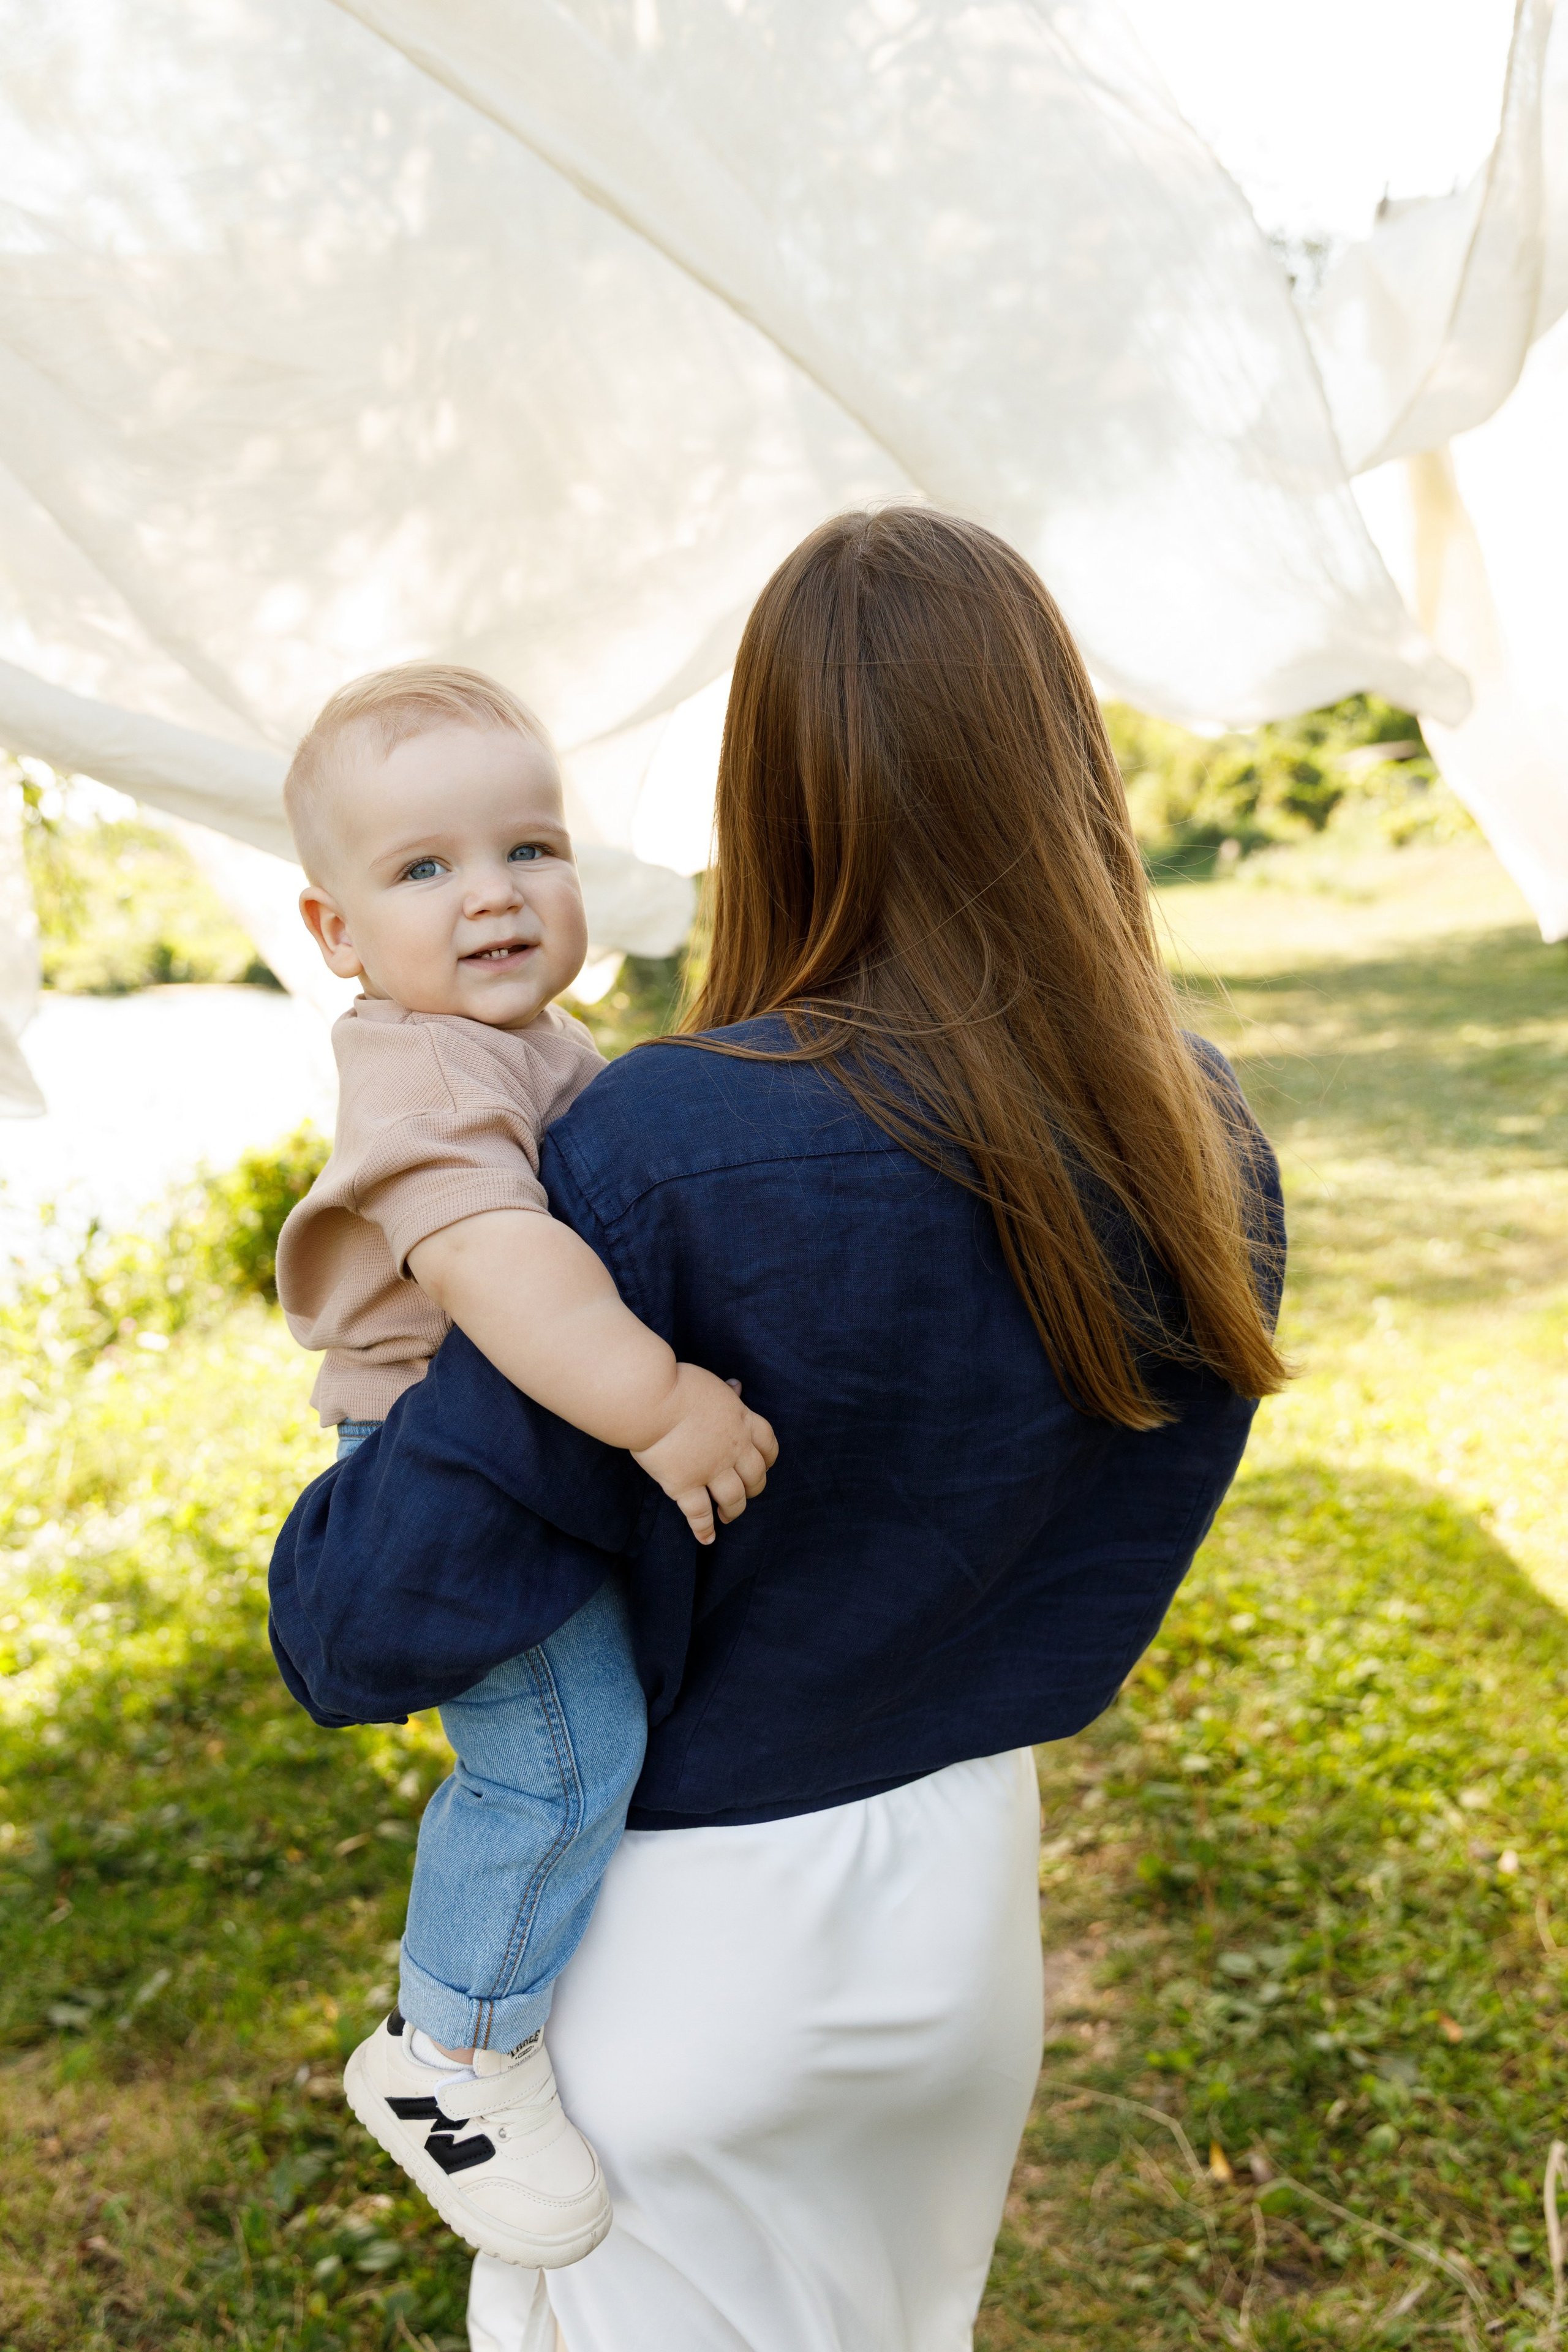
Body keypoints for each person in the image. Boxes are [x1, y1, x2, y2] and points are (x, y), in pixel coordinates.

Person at [270, 506, 1287, 2352]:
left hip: (697, 1933)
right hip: (966, 1907)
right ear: (1068, 765)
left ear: (773, 792)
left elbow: (373, 1619)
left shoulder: (654, 1145)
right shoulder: (1191, 1130)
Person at [271, 663, 777, 2269]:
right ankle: (453, 2060)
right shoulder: (420, 1070)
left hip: (524, 1428)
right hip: (452, 1458)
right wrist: (660, 1405)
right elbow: (504, 1267)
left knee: (604, 1722)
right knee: (551, 1755)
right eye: (423, 870)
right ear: (336, 933)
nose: (491, 896)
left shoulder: (524, 1041)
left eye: (529, 849)